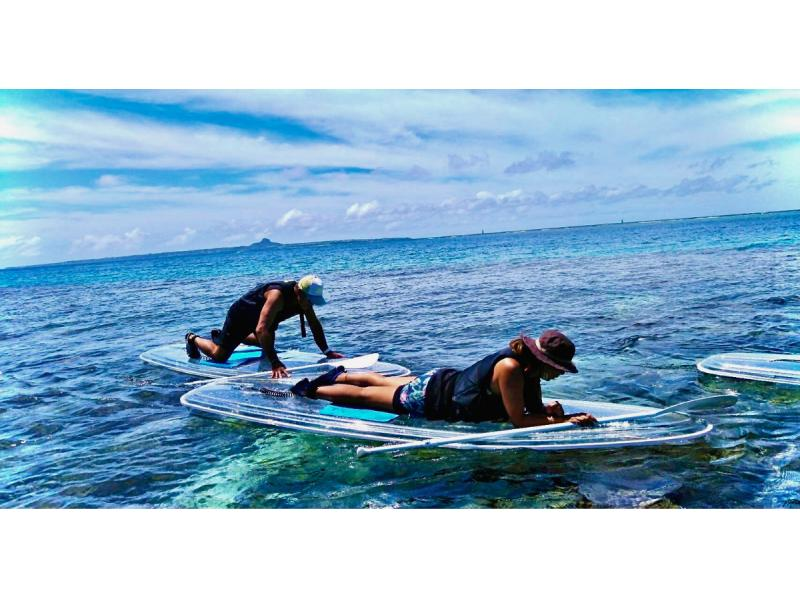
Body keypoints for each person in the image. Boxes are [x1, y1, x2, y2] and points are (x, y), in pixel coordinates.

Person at [290, 330, 596, 428]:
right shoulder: (512, 369)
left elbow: (530, 409)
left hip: (442, 380)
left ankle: (342, 373)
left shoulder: (526, 370)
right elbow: (519, 420)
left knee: (382, 383)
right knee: (365, 398)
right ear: (542, 361)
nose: (558, 373)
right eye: (558, 368)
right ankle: (315, 390)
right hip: (432, 396)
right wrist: (565, 422)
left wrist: (550, 411)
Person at [185, 275, 344, 378]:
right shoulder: (277, 295)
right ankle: (193, 338)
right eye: (310, 300)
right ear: (300, 293)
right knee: (220, 355)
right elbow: (262, 329)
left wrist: (327, 351)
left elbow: (314, 325)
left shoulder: (304, 301)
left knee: (266, 343)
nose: (311, 304)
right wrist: (275, 363)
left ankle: (224, 336)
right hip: (241, 316)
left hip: (263, 321)